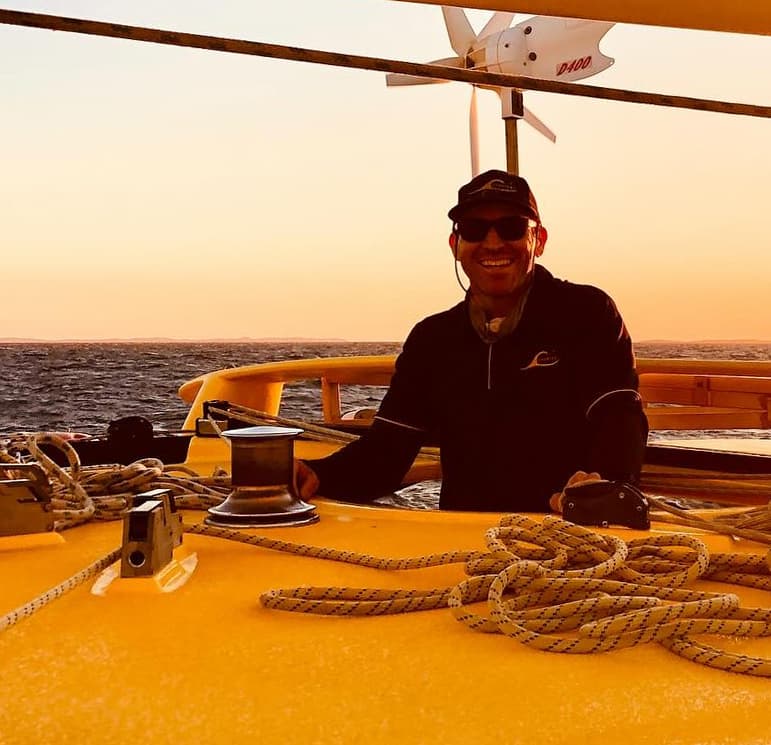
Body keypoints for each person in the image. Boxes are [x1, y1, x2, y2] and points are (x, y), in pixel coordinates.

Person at [295, 169, 648, 513]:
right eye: (474, 229)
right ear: (456, 244)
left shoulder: (586, 312)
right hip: (464, 547)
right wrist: (317, 474)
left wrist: (608, 486)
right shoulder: (433, 339)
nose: (492, 243)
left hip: (565, 534)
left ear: (537, 240)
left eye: (511, 228)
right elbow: (387, 451)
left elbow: (618, 415)